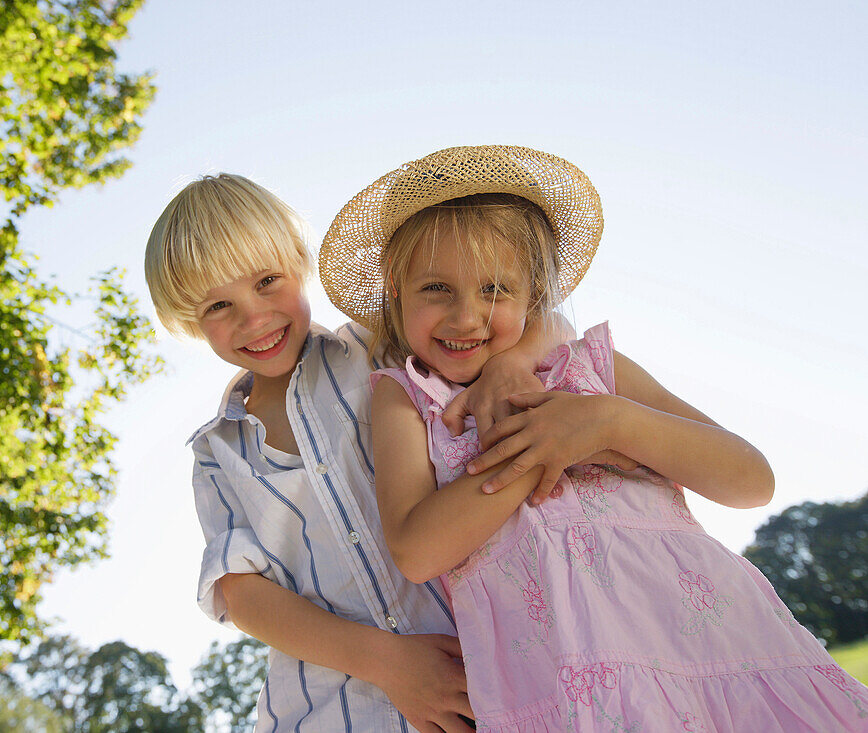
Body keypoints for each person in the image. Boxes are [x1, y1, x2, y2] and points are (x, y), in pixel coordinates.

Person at [320, 145, 868, 731]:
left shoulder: (593, 370)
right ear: (395, 291)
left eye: (496, 289)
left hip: (717, 652)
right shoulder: (407, 397)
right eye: (436, 288)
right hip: (565, 687)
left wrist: (608, 423)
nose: (465, 317)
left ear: (534, 295)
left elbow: (751, 480)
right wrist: (546, 446)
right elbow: (417, 549)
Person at [143, 172, 570, 732]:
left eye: (268, 281)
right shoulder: (216, 451)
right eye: (218, 306)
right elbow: (239, 592)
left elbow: (549, 324)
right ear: (189, 323)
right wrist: (386, 662)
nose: (254, 317)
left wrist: (513, 365)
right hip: (330, 709)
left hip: (479, 674)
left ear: (300, 266)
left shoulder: (377, 346)